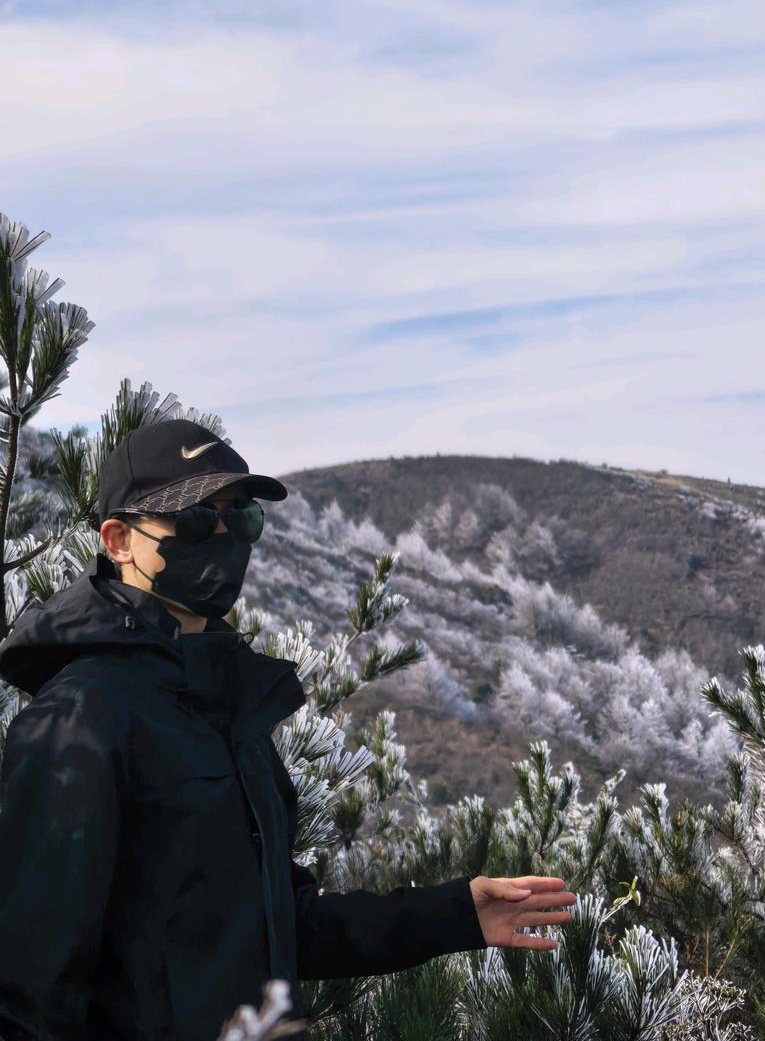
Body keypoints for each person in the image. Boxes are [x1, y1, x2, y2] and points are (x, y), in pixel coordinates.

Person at [0, 418, 575, 1040]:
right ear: (118, 540)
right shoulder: (81, 718)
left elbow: (278, 925)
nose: (224, 537)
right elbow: (27, 992)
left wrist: (456, 914)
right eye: (195, 519)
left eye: (241, 518)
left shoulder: (222, 709)